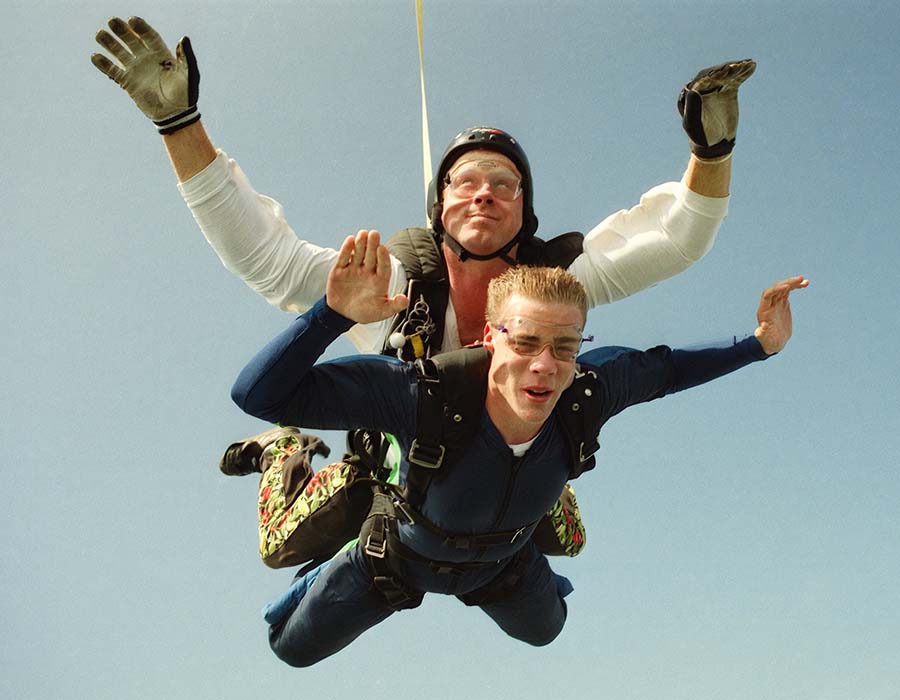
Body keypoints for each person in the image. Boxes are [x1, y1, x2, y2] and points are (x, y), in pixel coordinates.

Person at [90, 15, 756, 557]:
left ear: (525, 209)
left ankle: (526, 469)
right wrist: (180, 127)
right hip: (395, 467)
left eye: (504, 183)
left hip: (503, 468)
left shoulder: (556, 279)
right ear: (440, 207)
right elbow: (262, 254)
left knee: (568, 541)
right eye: (465, 182)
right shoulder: (391, 280)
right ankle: (284, 454)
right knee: (283, 544)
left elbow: (675, 241)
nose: (485, 195)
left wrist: (711, 154)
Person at [229, 229, 807, 667]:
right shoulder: (422, 392)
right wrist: (330, 315)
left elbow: (670, 369)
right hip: (397, 559)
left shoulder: (589, 389)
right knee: (290, 647)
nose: (545, 365)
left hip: (502, 562)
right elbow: (257, 393)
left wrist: (759, 345)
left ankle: (542, 495)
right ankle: (285, 458)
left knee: (546, 629)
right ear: (488, 336)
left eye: (565, 346)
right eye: (525, 341)